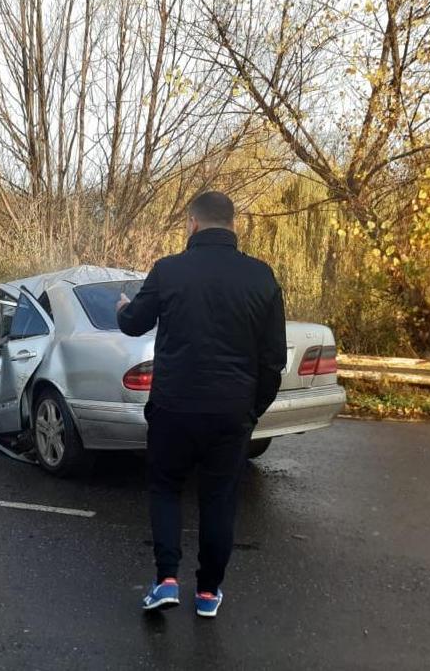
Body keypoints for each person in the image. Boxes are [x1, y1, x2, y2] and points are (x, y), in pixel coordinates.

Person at [117, 191, 286, 618]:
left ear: (192, 224)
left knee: (166, 489)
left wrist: (123, 307)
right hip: (231, 412)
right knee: (218, 500)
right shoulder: (262, 277)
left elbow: (134, 323)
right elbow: (273, 361)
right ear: (234, 224)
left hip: (173, 408)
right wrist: (251, 410)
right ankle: (208, 592)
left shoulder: (169, 270)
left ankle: (166, 580)